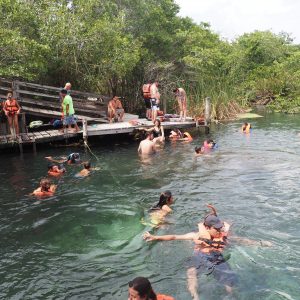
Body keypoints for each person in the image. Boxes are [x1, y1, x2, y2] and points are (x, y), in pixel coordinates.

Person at [143, 204, 272, 300]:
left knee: (228, 281)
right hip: (199, 256)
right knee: (191, 272)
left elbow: (243, 240)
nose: (219, 230)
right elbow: (175, 237)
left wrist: (261, 243)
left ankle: (232, 296)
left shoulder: (222, 236)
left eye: (220, 227)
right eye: (216, 228)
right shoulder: (196, 235)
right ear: (207, 228)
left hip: (216, 258)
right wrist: (155, 237)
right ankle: (195, 297)